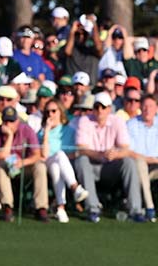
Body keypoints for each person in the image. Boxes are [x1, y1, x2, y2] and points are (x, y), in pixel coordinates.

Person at [74, 91, 144, 222]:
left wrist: (115, 154)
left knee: (129, 162)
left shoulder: (117, 121)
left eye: (103, 107)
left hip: (110, 167)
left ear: (109, 109)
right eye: (97, 107)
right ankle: (93, 208)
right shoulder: (84, 121)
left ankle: (136, 210)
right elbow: (82, 148)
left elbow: (125, 148)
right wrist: (100, 154)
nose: (100, 110)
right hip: (92, 166)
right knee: (81, 160)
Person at [0, 106, 49, 222]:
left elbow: (37, 154)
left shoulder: (27, 130)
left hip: (24, 167)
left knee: (40, 166)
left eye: (11, 121)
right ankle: (7, 207)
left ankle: (41, 208)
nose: (8, 124)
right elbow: (0, 156)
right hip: (6, 167)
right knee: (0, 165)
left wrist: (22, 162)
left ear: (17, 121)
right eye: (6, 121)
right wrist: (10, 137)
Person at [39, 98, 89, 223]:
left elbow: (73, 153)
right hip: (46, 162)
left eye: (53, 111)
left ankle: (61, 208)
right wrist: (46, 132)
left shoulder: (69, 130)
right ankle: (75, 187)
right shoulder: (41, 132)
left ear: (60, 112)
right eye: (47, 112)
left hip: (63, 164)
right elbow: (44, 154)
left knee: (57, 165)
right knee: (59, 156)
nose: (50, 114)